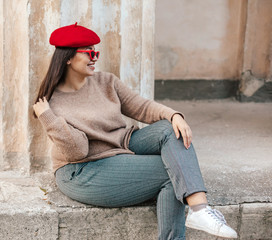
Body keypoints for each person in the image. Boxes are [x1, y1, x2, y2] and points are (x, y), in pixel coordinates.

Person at [32, 22, 237, 240]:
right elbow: (78, 151)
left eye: (96, 52)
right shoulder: (52, 105)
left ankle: (199, 210)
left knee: (170, 129)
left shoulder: (105, 81)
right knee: (172, 171)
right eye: (89, 52)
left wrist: (174, 115)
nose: (95, 57)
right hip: (83, 169)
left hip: (122, 145)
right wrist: (49, 118)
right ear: (68, 58)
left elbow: (141, 107)